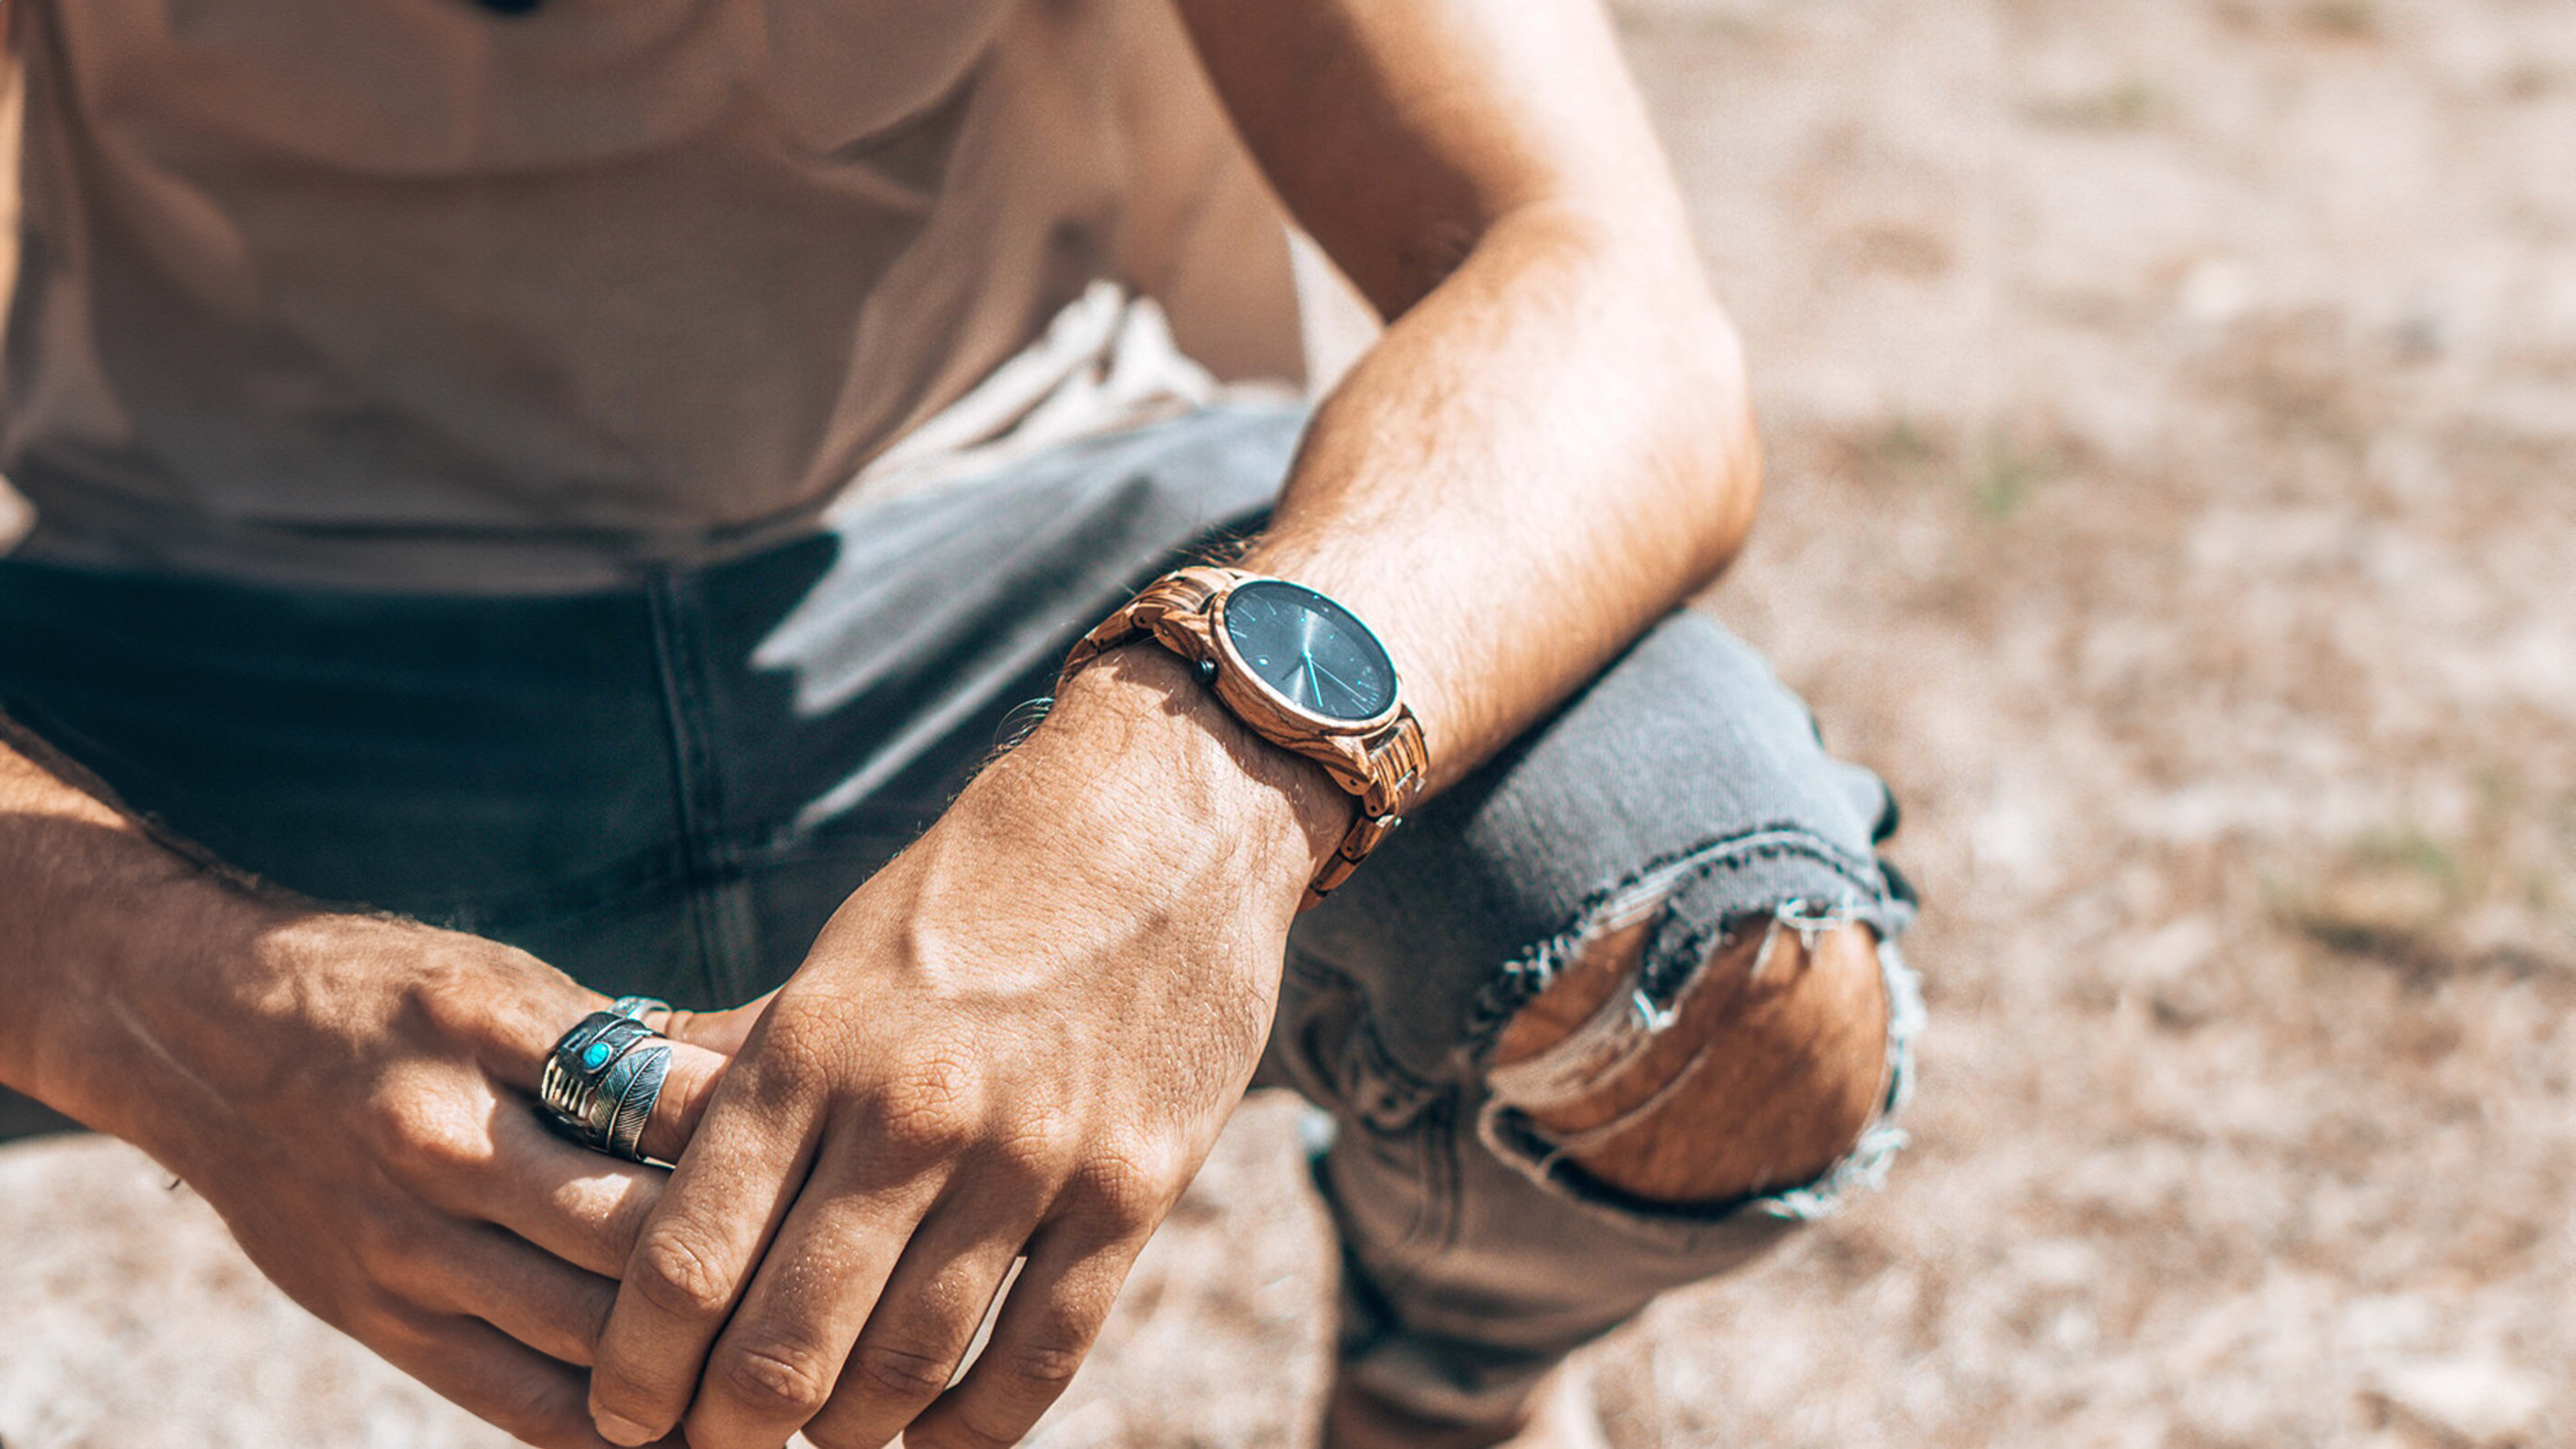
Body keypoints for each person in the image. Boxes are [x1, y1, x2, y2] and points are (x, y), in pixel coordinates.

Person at [0, 2, 1921, 1446]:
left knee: (1727, 979)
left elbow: (1601, 294)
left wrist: (1187, 782)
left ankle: (1449, 1384)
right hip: (201, 633)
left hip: (1022, 533)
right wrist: (164, 996)